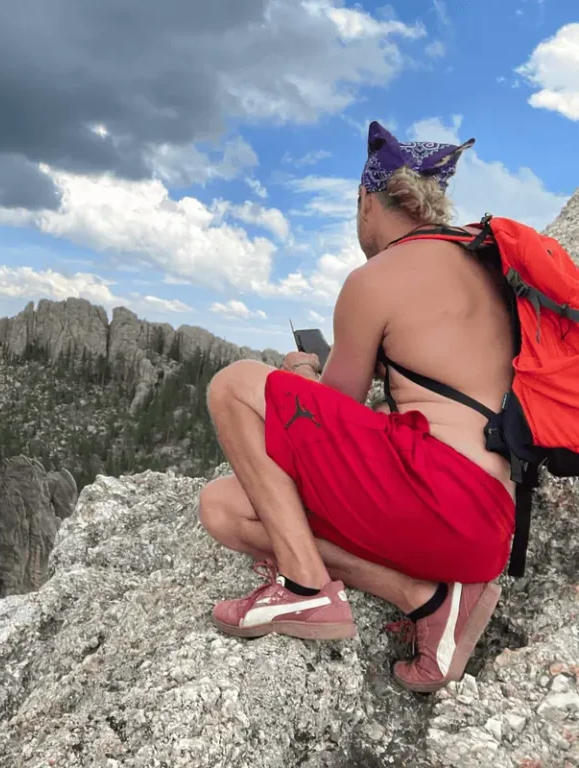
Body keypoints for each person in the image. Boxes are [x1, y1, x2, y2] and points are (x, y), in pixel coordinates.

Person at [199, 120, 516, 693]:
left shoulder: (376, 277)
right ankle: (432, 600)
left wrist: (299, 375)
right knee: (223, 508)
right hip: (490, 522)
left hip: (439, 494)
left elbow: (329, 410)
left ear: (367, 200)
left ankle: (303, 590)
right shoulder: (486, 265)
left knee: (235, 383)